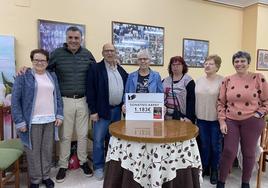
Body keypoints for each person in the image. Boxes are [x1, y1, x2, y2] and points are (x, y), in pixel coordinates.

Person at [48, 26, 96, 182]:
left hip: (83, 100)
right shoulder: (57, 54)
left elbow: (97, 72)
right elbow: (43, 71)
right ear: (66, 38)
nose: (74, 41)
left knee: (82, 135)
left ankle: (83, 162)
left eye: (76, 38)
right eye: (71, 38)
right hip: (65, 100)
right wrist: (26, 70)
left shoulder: (87, 54)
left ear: (81, 39)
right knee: (65, 135)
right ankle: (63, 165)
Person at [11, 49, 63, 188]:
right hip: (31, 121)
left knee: (47, 150)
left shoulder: (52, 76)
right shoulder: (24, 76)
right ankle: (35, 180)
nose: (40, 63)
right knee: (33, 151)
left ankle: (46, 176)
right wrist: (20, 121)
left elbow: (57, 96)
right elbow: (15, 101)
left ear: (47, 62)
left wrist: (59, 114)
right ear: (32, 61)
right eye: (36, 60)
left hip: (50, 120)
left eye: (43, 60)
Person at [216, 51, 268, 188]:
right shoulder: (227, 80)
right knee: (228, 151)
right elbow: (221, 102)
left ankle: (245, 183)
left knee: (249, 152)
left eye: (242, 61)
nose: (239, 64)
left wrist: (259, 114)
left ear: (248, 63)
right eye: (236, 61)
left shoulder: (258, 78)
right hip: (231, 120)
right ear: (233, 63)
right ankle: (221, 182)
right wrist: (222, 121)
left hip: (252, 120)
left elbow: (266, 101)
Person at [86, 43, 128, 180]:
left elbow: (128, 87)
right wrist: (93, 111)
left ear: (116, 52)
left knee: (114, 141)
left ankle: (111, 166)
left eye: (112, 51)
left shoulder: (120, 70)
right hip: (101, 111)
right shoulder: (95, 68)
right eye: (107, 51)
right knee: (98, 141)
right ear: (102, 53)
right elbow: (90, 90)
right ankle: (98, 167)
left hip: (117, 111)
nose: (110, 53)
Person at [195, 55, 224, 184]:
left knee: (215, 146)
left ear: (217, 66)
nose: (207, 66)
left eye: (211, 64)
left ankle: (214, 170)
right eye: (206, 63)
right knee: (204, 145)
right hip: (201, 118)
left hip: (215, 120)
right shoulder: (199, 80)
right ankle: (204, 167)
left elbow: (224, 101)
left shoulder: (222, 81)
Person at [162, 56, 195, 123]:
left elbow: (191, 101)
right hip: (166, 117)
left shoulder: (188, 81)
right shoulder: (164, 81)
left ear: (183, 66)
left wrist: (189, 117)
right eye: (173, 65)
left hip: (182, 118)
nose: (175, 67)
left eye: (178, 65)